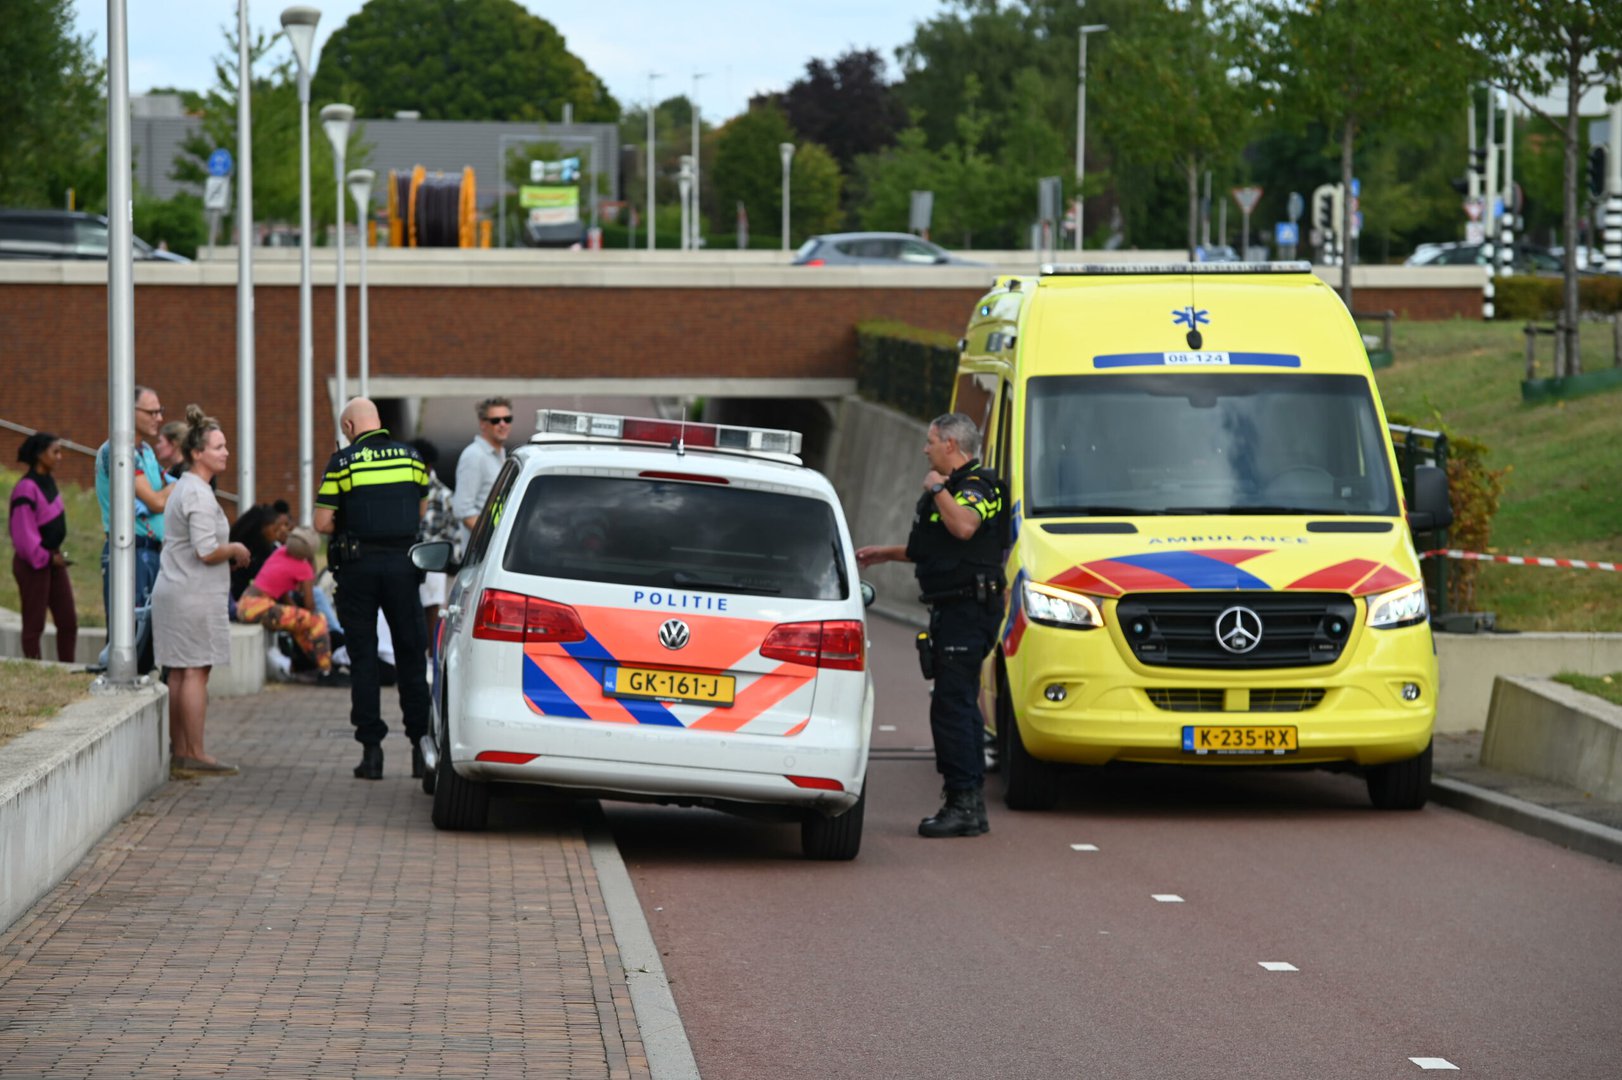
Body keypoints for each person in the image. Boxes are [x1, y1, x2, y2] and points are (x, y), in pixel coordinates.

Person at [856, 412, 1006, 839]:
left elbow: (963, 526)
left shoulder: (978, 487)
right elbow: (936, 548)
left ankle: (963, 804)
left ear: (952, 446)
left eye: (932, 441)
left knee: (952, 705)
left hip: (968, 610)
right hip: (951, 608)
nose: (926, 449)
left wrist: (937, 488)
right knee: (956, 702)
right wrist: (885, 553)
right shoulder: (954, 491)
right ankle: (967, 804)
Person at [315, 398, 432, 781]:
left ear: (349, 426)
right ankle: (420, 750)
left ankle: (372, 754)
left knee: (364, 659)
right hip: (403, 566)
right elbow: (420, 511)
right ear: (378, 423)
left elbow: (321, 523)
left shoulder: (342, 463)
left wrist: (352, 519)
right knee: (412, 658)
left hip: (358, 569)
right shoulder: (412, 459)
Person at [150, 405, 250, 777]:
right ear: (197, 453)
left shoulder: (187, 488)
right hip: (191, 593)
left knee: (179, 672)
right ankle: (194, 751)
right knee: (194, 672)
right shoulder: (197, 493)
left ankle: (182, 750)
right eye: (218, 447)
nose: (225, 453)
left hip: (177, 590)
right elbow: (206, 550)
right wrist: (236, 549)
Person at [94, 385, 171, 670]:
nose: (159, 418)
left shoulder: (147, 451)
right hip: (129, 551)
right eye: (151, 412)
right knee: (129, 631)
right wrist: (162, 496)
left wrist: (164, 494)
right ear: (129, 411)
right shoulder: (117, 450)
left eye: (160, 411)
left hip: (151, 552)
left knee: (149, 634)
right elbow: (156, 500)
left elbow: (169, 488)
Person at [9, 432, 77, 662]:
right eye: (55, 452)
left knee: (68, 621)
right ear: (40, 455)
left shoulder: (49, 482)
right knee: (34, 623)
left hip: (54, 561)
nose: (60, 457)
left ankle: (68, 668)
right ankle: (34, 667)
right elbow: (23, 535)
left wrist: (55, 558)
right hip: (34, 564)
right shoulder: (25, 488)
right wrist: (47, 559)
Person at [236, 524, 335, 680]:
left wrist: (297, 613)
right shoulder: (304, 569)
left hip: (245, 604)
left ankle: (306, 665)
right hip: (259, 607)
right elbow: (310, 605)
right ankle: (327, 670)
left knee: (299, 623)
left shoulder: (280, 553)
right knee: (318, 620)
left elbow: (283, 595)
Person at [452, 396, 513, 556]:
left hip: (496, 552)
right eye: (496, 420)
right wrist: (495, 539)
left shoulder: (500, 454)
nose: (503, 424)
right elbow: (464, 511)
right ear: (483, 424)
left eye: (507, 419)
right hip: (481, 553)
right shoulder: (474, 456)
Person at [412, 438, 457, 645]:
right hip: (409, 557)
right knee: (411, 608)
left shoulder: (443, 495)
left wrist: (450, 563)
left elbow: (452, 531)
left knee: (432, 609)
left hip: (433, 559)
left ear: (428, 466)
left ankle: (431, 655)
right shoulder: (407, 488)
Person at [228, 499, 293, 603]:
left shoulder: (266, 550)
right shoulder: (240, 555)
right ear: (260, 528)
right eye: (275, 530)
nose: (277, 535)